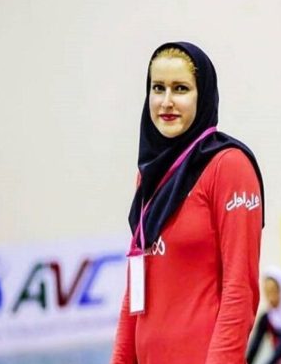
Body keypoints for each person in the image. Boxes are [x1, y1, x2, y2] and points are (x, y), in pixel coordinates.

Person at [110, 42, 265, 364]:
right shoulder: (150, 176)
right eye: (158, 88)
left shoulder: (228, 166)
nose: (166, 101)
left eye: (180, 88)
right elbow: (134, 294)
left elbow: (240, 289)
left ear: (202, 94)